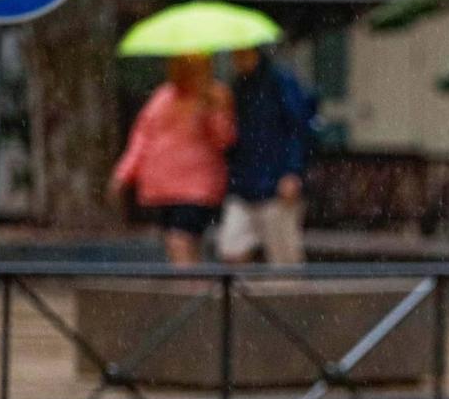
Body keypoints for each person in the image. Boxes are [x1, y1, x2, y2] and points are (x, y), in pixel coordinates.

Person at [111, 54, 235, 266]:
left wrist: (211, 111)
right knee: (179, 242)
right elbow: (142, 138)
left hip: (196, 187)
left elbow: (225, 139)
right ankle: (194, 287)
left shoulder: (214, 96)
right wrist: (124, 174)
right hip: (162, 188)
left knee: (180, 239)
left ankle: (188, 290)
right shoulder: (162, 97)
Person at [217, 46, 316, 266]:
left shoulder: (280, 82)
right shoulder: (237, 86)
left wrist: (292, 170)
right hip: (244, 184)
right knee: (231, 250)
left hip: (276, 183)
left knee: (283, 259)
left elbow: (298, 129)